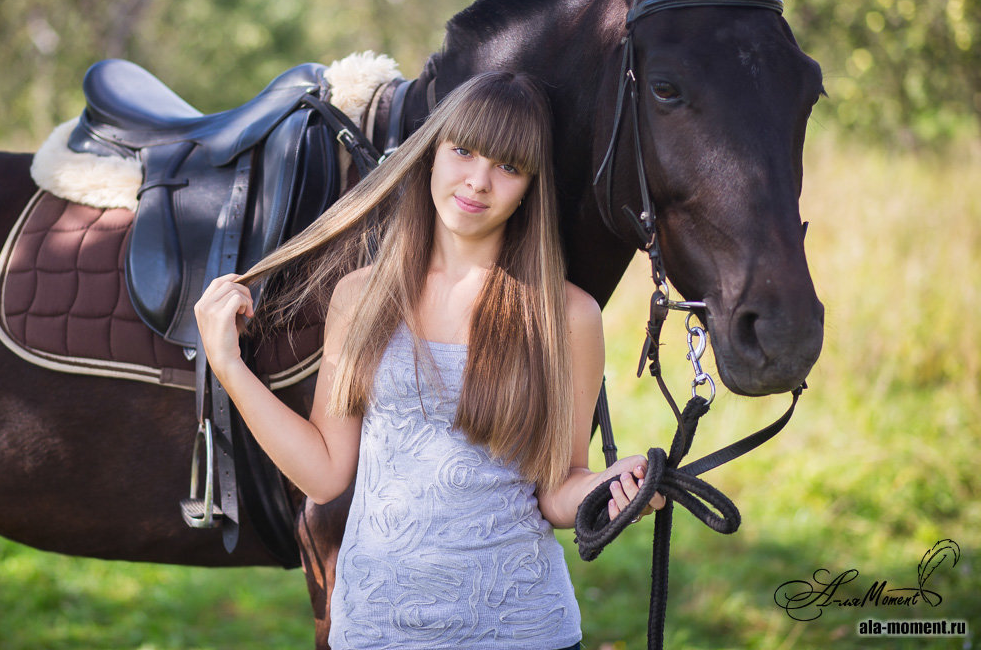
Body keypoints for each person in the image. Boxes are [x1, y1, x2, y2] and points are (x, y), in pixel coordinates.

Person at [195, 70, 665, 650]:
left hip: (520, 630)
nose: (478, 181)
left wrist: (610, 486)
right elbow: (324, 473)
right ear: (431, 153)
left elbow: (557, 489)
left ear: (529, 188)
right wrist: (229, 366)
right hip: (375, 630)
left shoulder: (566, 315)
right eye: (463, 151)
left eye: (508, 167)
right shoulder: (361, 297)